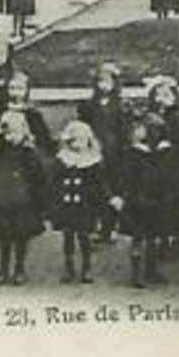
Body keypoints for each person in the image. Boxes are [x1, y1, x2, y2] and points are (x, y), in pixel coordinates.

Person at [111, 111, 179, 289]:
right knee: (138, 237)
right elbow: (125, 176)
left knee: (153, 237)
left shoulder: (167, 151)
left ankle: (151, 270)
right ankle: (136, 274)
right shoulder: (133, 152)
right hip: (138, 200)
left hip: (158, 200)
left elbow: (173, 176)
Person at [0, 110, 48, 286]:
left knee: (21, 237)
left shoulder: (29, 154)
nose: (10, 137)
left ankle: (19, 268)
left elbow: (39, 179)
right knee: (3, 237)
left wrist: (40, 202)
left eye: (15, 133)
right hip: (3, 200)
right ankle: (3, 268)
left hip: (23, 202)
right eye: (7, 133)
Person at [50, 120, 108, 284]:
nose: (77, 145)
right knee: (68, 235)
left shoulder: (93, 161)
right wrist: (55, 200)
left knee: (84, 236)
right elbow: (54, 181)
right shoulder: (63, 159)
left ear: (89, 141)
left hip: (85, 205)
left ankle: (87, 267)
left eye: (81, 141)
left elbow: (100, 184)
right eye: (73, 141)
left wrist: (102, 200)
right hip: (67, 205)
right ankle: (69, 267)